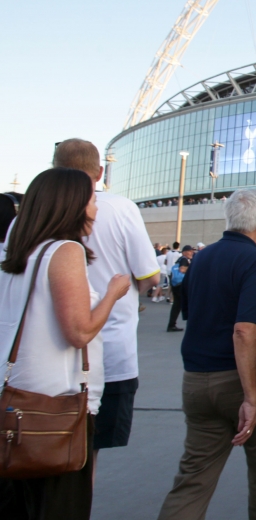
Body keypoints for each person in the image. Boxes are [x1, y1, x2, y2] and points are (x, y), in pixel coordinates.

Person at [0, 168, 131, 519]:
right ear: (71, 204)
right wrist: (112, 294)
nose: (96, 209)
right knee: (61, 505)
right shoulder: (65, 250)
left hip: (15, 399)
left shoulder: (18, 253)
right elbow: (79, 331)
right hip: (55, 407)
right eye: (91, 200)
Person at [157, 189, 256, 520]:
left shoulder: (201, 259)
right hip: (244, 376)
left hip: (197, 377)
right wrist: (250, 396)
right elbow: (245, 330)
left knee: (192, 480)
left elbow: (193, 314)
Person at [52, 139, 162, 457]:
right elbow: (148, 276)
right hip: (110, 352)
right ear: (100, 171)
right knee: (88, 454)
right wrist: (121, 291)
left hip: (36, 365)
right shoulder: (120, 208)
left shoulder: (29, 218)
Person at [167, 255, 190, 332]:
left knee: (176, 306)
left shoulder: (179, 259)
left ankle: (171, 324)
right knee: (184, 305)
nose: (191, 252)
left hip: (175, 285)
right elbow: (182, 269)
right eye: (190, 251)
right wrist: (190, 269)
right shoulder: (184, 259)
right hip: (180, 285)